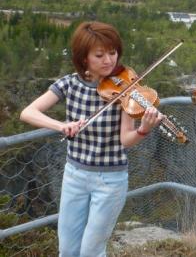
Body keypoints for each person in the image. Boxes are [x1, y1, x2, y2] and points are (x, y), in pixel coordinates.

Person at [20, 21, 163, 257]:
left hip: (110, 180)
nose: (109, 60)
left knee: (91, 252)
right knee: (67, 249)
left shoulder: (125, 89)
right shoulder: (68, 84)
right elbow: (28, 112)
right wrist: (61, 125)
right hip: (75, 176)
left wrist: (143, 130)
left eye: (112, 52)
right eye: (99, 55)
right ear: (84, 58)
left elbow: (126, 140)